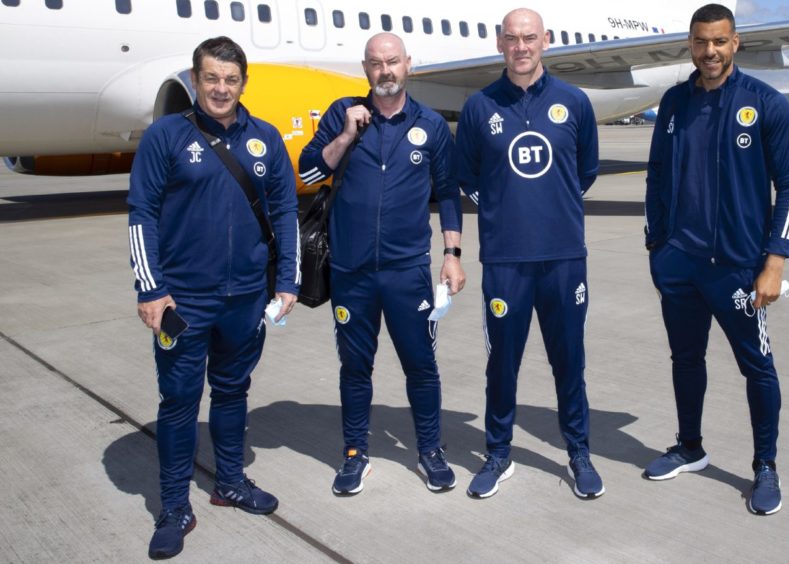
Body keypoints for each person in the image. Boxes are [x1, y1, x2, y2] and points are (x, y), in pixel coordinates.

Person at [127, 36, 299, 559]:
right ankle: (175, 505)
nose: (221, 88)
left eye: (231, 80)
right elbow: (142, 215)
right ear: (195, 81)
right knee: (178, 402)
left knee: (232, 391)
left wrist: (287, 280)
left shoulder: (265, 138)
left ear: (243, 83)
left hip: (246, 297)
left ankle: (229, 482)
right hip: (182, 302)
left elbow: (286, 212)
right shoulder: (165, 137)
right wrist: (151, 288)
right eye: (211, 79)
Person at [643, 3, 789, 516]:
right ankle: (690, 447)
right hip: (680, 264)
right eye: (700, 42)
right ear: (689, 44)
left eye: (719, 41)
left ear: (735, 43)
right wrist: (656, 246)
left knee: (757, 366)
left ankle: (766, 466)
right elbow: (655, 177)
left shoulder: (766, 103)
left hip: (738, 267)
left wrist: (775, 261)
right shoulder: (672, 103)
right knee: (685, 360)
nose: (709, 51)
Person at [298, 33, 465, 496]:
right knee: (355, 368)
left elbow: (448, 194)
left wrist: (451, 255)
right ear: (365, 68)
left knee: (421, 366)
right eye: (376, 63)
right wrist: (348, 134)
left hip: (407, 272)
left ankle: (430, 450)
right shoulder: (341, 113)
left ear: (408, 65)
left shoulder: (430, 125)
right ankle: (355, 454)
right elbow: (310, 171)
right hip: (351, 272)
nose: (385, 71)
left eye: (392, 62)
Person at [455, 8, 603, 500]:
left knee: (571, 362)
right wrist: (504, 213)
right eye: (512, 39)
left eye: (530, 38)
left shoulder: (574, 102)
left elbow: (583, 173)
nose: (521, 47)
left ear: (546, 42)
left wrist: (550, 212)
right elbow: (469, 180)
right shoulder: (479, 107)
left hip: (563, 259)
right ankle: (498, 453)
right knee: (502, 363)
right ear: (500, 44)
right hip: (504, 262)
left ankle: (578, 451)